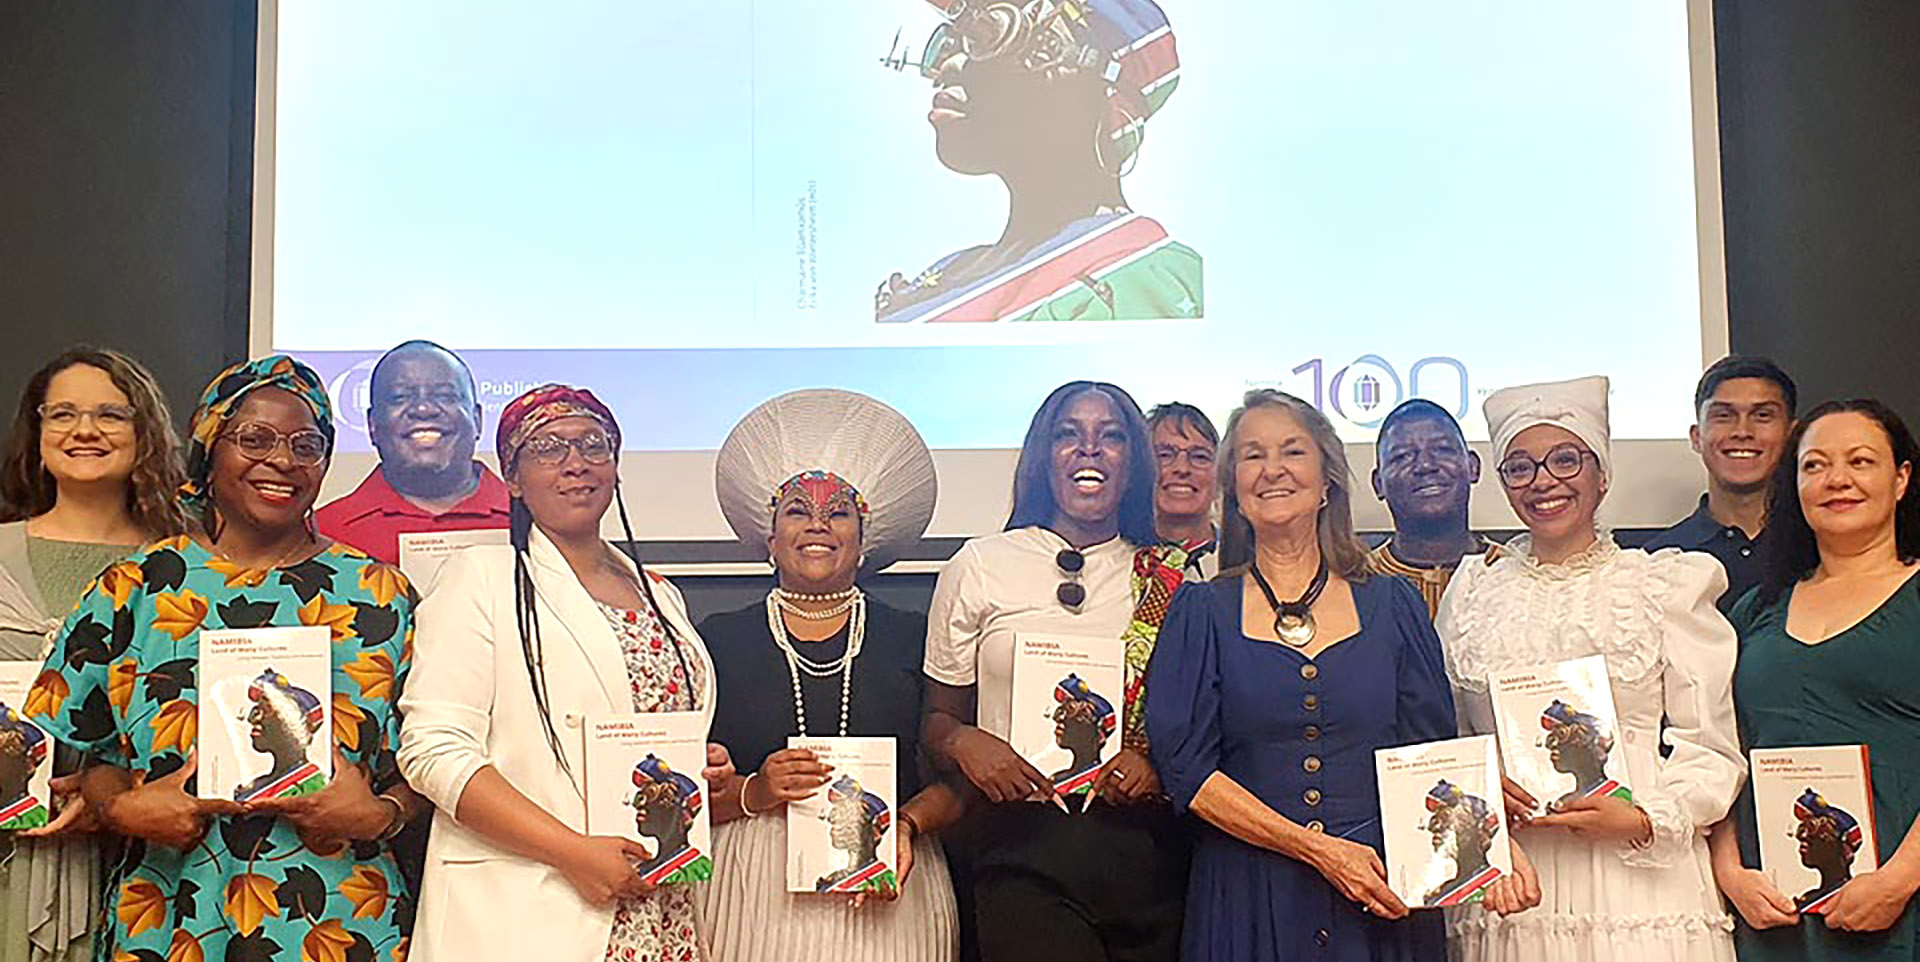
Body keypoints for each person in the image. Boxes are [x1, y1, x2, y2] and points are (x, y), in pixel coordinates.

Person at [26, 355, 424, 962]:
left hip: (344, 922)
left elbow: (436, 760)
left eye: (307, 443)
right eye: (255, 439)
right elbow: (91, 759)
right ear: (209, 450)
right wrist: (122, 806)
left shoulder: (381, 596)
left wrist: (384, 813)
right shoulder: (134, 589)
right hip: (172, 917)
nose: (283, 461)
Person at [1146, 388, 1524, 962]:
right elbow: (1186, 771)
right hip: (1250, 897)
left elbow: (1432, 752)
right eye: (1252, 455)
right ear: (1234, 489)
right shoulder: (1200, 611)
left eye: (1292, 452)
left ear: (1327, 481)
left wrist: (1494, 843)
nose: (1272, 469)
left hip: (1383, 889)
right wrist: (1320, 851)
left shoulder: (1393, 604)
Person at [397, 384, 723, 962]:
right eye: (547, 449)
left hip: (659, 908)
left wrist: (699, 769)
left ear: (616, 468)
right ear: (513, 480)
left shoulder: (662, 597)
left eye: (593, 446)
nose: (575, 464)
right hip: (531, 906)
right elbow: (433, 750)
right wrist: (572, 851)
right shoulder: (482, 579)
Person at [1437, 375, 1744, 962]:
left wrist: (1644, 817)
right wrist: (1479, 786)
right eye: (1520, 467)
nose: (1543, 481)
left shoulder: (1662, 583)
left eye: (1565, 459)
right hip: (1513, 877)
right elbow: (1445, 738)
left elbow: (1710, 746)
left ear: (1602, 473)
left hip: (1639, 881)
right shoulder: (1472, 591)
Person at [922, 381, 1196, 962]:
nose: (1089, 450)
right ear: (1044, 457)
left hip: (1145, 855)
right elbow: (937, 722)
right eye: (1069, 435)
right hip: (1021, 851)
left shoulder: (1171, 579)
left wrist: (1151, 764)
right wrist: (969, 743)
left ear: (1134, 463)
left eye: (1111, 436)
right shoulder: (979, 565)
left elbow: (1197, 727)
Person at [695, 388, 959, 962]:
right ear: (770, 538)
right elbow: (683, 792)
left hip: (896, 876)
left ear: (865, 541)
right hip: (755, 887)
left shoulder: (916, 634)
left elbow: (960, 783)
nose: (818, 525)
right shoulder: (716, 639)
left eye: (838, 512)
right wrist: (752, 791)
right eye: (797, 511)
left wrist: (908, 825)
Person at [1708, 398, 1920, 959]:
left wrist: (1900, 880)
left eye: (1861, 461)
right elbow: (1718, 748)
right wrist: (1729, 871)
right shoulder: (1755, 609)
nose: (1837, 480)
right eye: (1815, 465)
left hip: (1902, 904)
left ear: (1901, 479)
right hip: (1774, 914)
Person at [0, 347, 189, 962]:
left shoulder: (187, 567)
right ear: (38, 430)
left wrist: (110, 798)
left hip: (144, 860)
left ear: (145, 432)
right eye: (63, 415)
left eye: (111, 414)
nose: (84, 431)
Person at [874, 0, 1202, 324]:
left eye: (993, 31)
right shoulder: (946, 271)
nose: (947, 67)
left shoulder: (1141, 267)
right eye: (950, 42)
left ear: (1101, 86)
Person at [314, 340, 510, 565]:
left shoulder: (536, 523)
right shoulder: (321, 534)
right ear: (372, 425)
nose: (423, 409)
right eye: (400, 397)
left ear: (477, 419)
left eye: (445, 396)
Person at [1645, 356, 1798, 610]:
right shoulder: (1656, 562)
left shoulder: (1824, 550)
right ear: (1697, 437)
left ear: (1792, 435)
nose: (1742, 432)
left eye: (1762, 415)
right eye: (1724, 416)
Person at [1367, 398, 1503, 620]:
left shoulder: (1515, 573)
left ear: (1473, 467)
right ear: (1378, 483)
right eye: (1402, 456)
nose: (1425, 466)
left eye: (1442, 450)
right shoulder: (1352, 583)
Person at [1147, 402, 1218, 579]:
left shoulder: (1248, 562)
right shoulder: (1112, 560)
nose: (1182, 468)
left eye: (1200, 457)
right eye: (1164, 455)